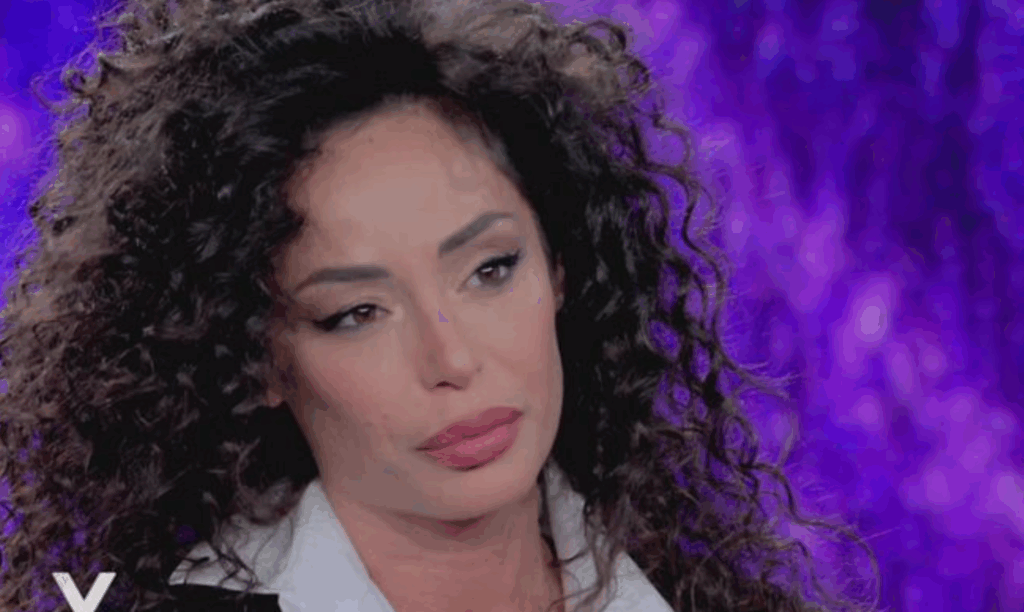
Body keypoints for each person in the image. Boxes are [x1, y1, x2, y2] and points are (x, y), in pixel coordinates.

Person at [0, 0, 883, 611]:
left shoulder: (699, 586)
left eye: (490, 270)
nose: (452, 359)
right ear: (259, 357)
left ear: (560, 267)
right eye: (356, 312)